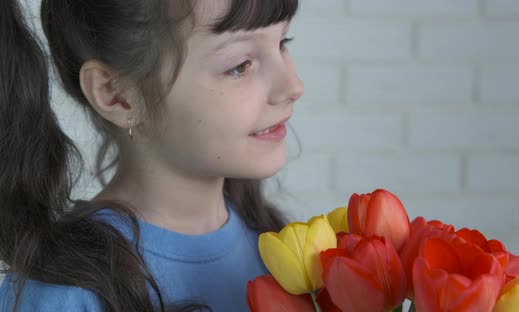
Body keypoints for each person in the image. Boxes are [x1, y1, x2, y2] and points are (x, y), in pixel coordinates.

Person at [0, 0, 303, 310]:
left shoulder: (281, 251)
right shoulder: (60, 294)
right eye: (239, 65)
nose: (293, 86)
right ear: (118, 95)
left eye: (283, 42)